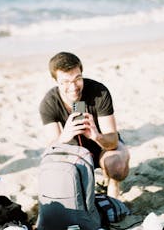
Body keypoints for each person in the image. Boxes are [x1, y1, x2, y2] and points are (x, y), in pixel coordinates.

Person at [39, 52, 130, 198]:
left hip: (103, 148)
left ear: (82, 73)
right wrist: (65, 136)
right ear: (56, 81)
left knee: (117, 166)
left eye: (77, 78)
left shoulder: (99, 92)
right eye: (65, 82)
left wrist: (96, 136)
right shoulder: (49, 103)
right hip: (74, 151)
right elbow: (51, 149)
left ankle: (112, 183)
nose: (73, 87)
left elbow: (113, 141)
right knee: (57, 174)